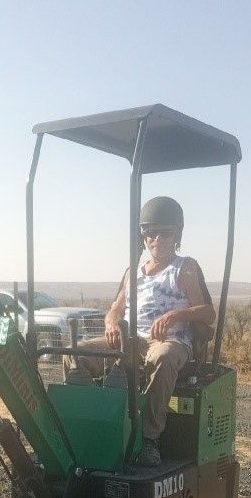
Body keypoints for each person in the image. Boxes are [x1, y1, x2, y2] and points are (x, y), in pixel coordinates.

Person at [64, 196, 215, 467]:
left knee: (163, 357)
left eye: (165, 233)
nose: (157, 240)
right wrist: (111, 323)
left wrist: (175, 315)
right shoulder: (132, 272)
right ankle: (93, 424)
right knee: (75, 355)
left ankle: (148, 438)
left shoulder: (185, 268)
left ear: (177, 235)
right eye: (150, 233)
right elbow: (116, 308)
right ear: (143, 236)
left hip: (170, 340)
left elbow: (207, 312)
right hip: (132, 340)